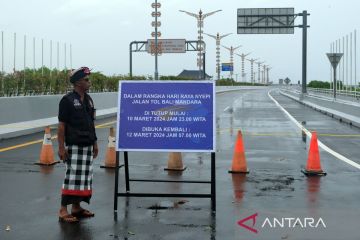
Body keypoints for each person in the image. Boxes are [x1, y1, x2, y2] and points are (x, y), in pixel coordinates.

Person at [57, 66, 99, 223]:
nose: (89, 82)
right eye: (86, 80)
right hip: (74, 146)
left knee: (84, 178)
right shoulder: (67, 100)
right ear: (78, 82)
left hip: (87, 144)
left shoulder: (88, 100)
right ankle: (63, 209)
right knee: (72, 177)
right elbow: (61, 126)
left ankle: (76, 207)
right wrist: (61, 147)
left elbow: (91, 123)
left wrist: (95, 143)